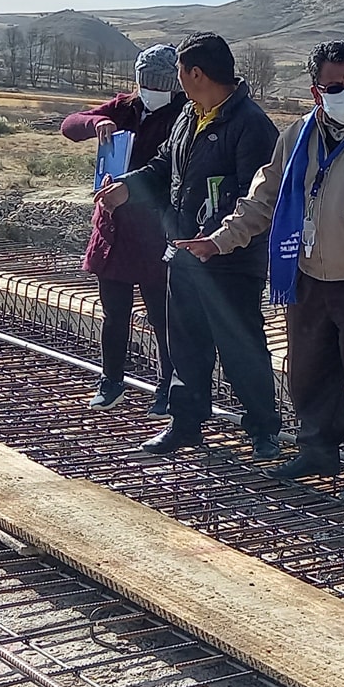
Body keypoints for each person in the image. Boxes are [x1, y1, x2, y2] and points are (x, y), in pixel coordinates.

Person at [182, 41, 344, 502]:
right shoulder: (297, 137)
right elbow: (264, 198)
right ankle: (319, 450)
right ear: (315, 92)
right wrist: (219, 240)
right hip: (306, 277)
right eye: (335, 86)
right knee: (310, 374)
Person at [97, 33, 283, 458]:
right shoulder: (190, 117)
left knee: (242, 346)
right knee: (186, 345)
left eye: (180, 71)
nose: (178, 80)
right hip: (184, 251)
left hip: (231, 258)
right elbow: (165, 165)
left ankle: (262, 430)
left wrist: (216, 240)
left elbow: (255, 196)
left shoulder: (251, 126)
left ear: (195, 73)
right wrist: (128, 186)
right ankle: (186, 424)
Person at [62, 44, 189, 412]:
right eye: (146, 80)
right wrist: (95, 123)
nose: (152, 87)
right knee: (114, 314)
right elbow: (70, 125)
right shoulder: (123, 108)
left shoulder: (183, 115)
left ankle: (168, 386)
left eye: (160, 81)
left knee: (163, 318)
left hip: (155, 233)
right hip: (114, 232)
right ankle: (111, 381)